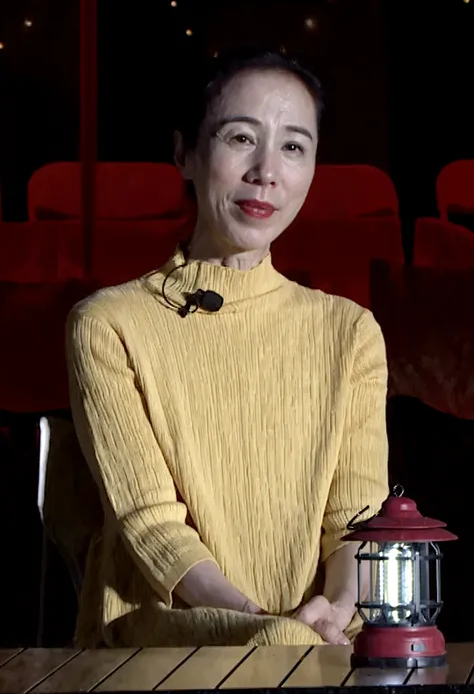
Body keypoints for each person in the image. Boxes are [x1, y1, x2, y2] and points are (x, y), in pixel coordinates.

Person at [66, 48, 389, 648]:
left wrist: (338, 609)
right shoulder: (109, 324)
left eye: (293, 146)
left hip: (318, 637)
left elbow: (357, 522)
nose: (267, 171)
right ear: (185, 153)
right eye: (241, 138)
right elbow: (153, 528)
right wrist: (265, 625)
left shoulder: (350, 332)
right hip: (169, 635)